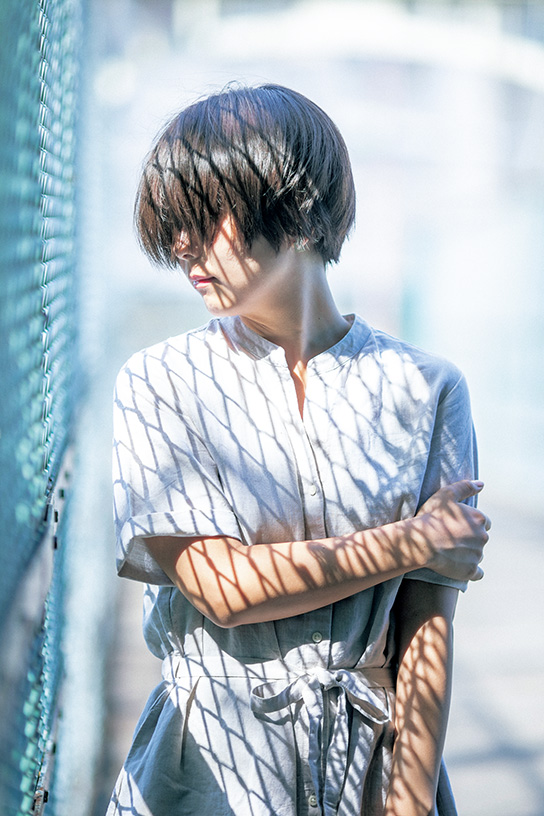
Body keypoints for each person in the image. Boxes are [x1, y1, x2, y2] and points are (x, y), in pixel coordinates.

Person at [107, 84, 490, 816]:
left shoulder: (429, 386)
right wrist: (415, 540)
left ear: (297, 205)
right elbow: (224, 590)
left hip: (369, 766)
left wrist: (406, 805)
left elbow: (426, 629)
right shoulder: (159, 382)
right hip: (207, 768)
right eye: (171, 225)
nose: (183, 246)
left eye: (203, 217)